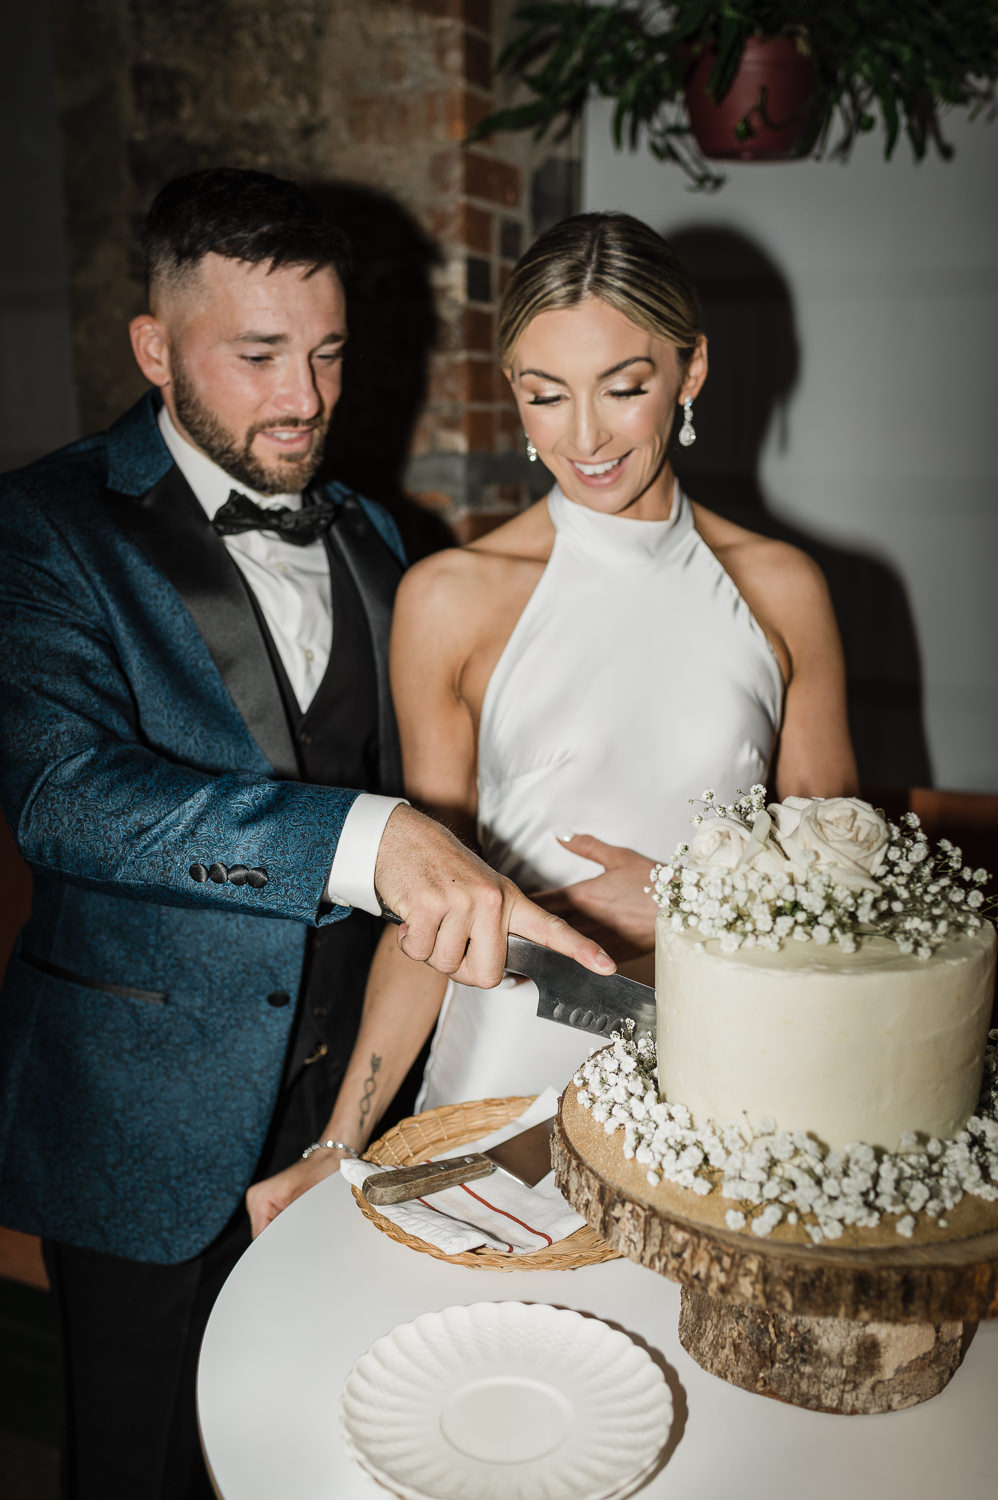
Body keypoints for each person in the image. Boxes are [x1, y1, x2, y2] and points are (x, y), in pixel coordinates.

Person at [0, 169, 611, 1500]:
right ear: (155, 351)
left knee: (309, 1437)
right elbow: (63, 794)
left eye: (328, 354)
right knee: (143, 1459)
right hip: (145, 1117)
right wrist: (371, 842)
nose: (304, 398)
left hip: (350, 1104)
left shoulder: (380, 538)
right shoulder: (41, 525)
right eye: (258, 356)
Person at [246, 210, 858, 1236]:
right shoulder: (451, 598)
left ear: (688, 369)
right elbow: (422, 906)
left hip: (723, 1081)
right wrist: (338, 1144)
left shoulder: (781, 591)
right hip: (496, 1081)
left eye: (623, 387)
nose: (583, 437)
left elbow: (849, 890)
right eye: (543, 393)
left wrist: (686, 900)